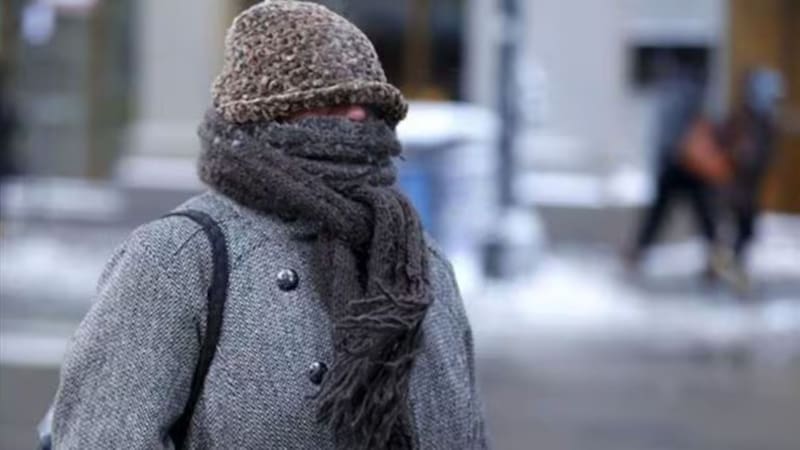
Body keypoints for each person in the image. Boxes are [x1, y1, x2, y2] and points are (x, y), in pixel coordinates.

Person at [51, 2, 489, 449]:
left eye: (369, 104)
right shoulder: (178, 258)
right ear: (267, 114)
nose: (357, 116)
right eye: (331, 101)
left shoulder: (417, 262)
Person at [627, 64, 720, 274]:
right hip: (686, 165)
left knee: (662, 214)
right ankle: (716, 259)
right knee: (702, 216)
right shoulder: (690, 97)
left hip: (678, 164)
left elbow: (662, 137)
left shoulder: (672, 97)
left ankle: (638, 253)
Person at [719, 68, 783, 288]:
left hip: (748, 187)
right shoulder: (743, 117)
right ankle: (731, 269)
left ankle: (731, 267)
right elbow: (731, 147)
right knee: (743, 229)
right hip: (737, 187)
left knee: (746, 231)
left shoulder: (763, 119)